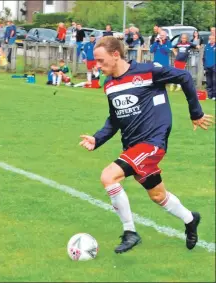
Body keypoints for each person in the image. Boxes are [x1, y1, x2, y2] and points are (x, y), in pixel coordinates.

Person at [79, 36, 213, 254]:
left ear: (115, 55)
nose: (97, 65)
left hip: (152, 143)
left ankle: (130, 232)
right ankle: (190, 219)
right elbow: (114, 119)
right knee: (158, 196)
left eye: (101, 60)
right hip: (132, 147)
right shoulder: (110, 85)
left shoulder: (148, 72)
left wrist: (196, 113)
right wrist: (97, 138)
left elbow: (185, 76)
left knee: (108, 176)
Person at [203, 34, 216, 100]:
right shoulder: (207, 46)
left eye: (212, 39)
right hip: (208, 66)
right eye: (210, 39)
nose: (211, 40)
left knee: (214, 81)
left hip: (214, 66)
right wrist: (204, 67)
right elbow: (204, 57)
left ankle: (214, 95)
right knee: (209, 82)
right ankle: (209, 95)